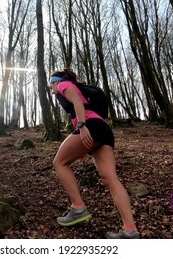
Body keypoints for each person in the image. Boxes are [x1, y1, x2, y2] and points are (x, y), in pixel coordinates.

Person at [50, 68, 139, 239]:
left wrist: (82, 127)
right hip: (103, 129)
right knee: (110, 179)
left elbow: (76, 102)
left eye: (50, 85)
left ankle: (78, 208)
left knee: (59, 163)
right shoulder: (74, 86)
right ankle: (130, 230)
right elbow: (80, 105)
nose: (52, 90)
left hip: (90, 125)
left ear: (55, 81)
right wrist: (82, 147)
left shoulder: (63, 84)